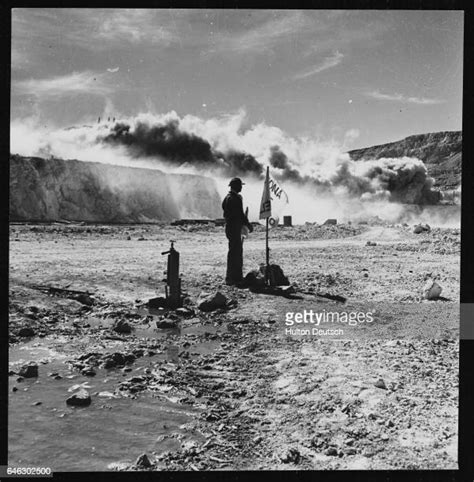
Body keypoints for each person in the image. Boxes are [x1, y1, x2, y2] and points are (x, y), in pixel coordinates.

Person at [222, 177, 253, 286]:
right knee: (236, 253)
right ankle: (235, 278)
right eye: (240, 186)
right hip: (234, 228)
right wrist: (248, 225)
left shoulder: (227, 198)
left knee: (233, 252)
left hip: (230, 228)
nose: (241, 188)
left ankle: (232, 277)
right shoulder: (236, 198)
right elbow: (240, 215)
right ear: (236, 186)